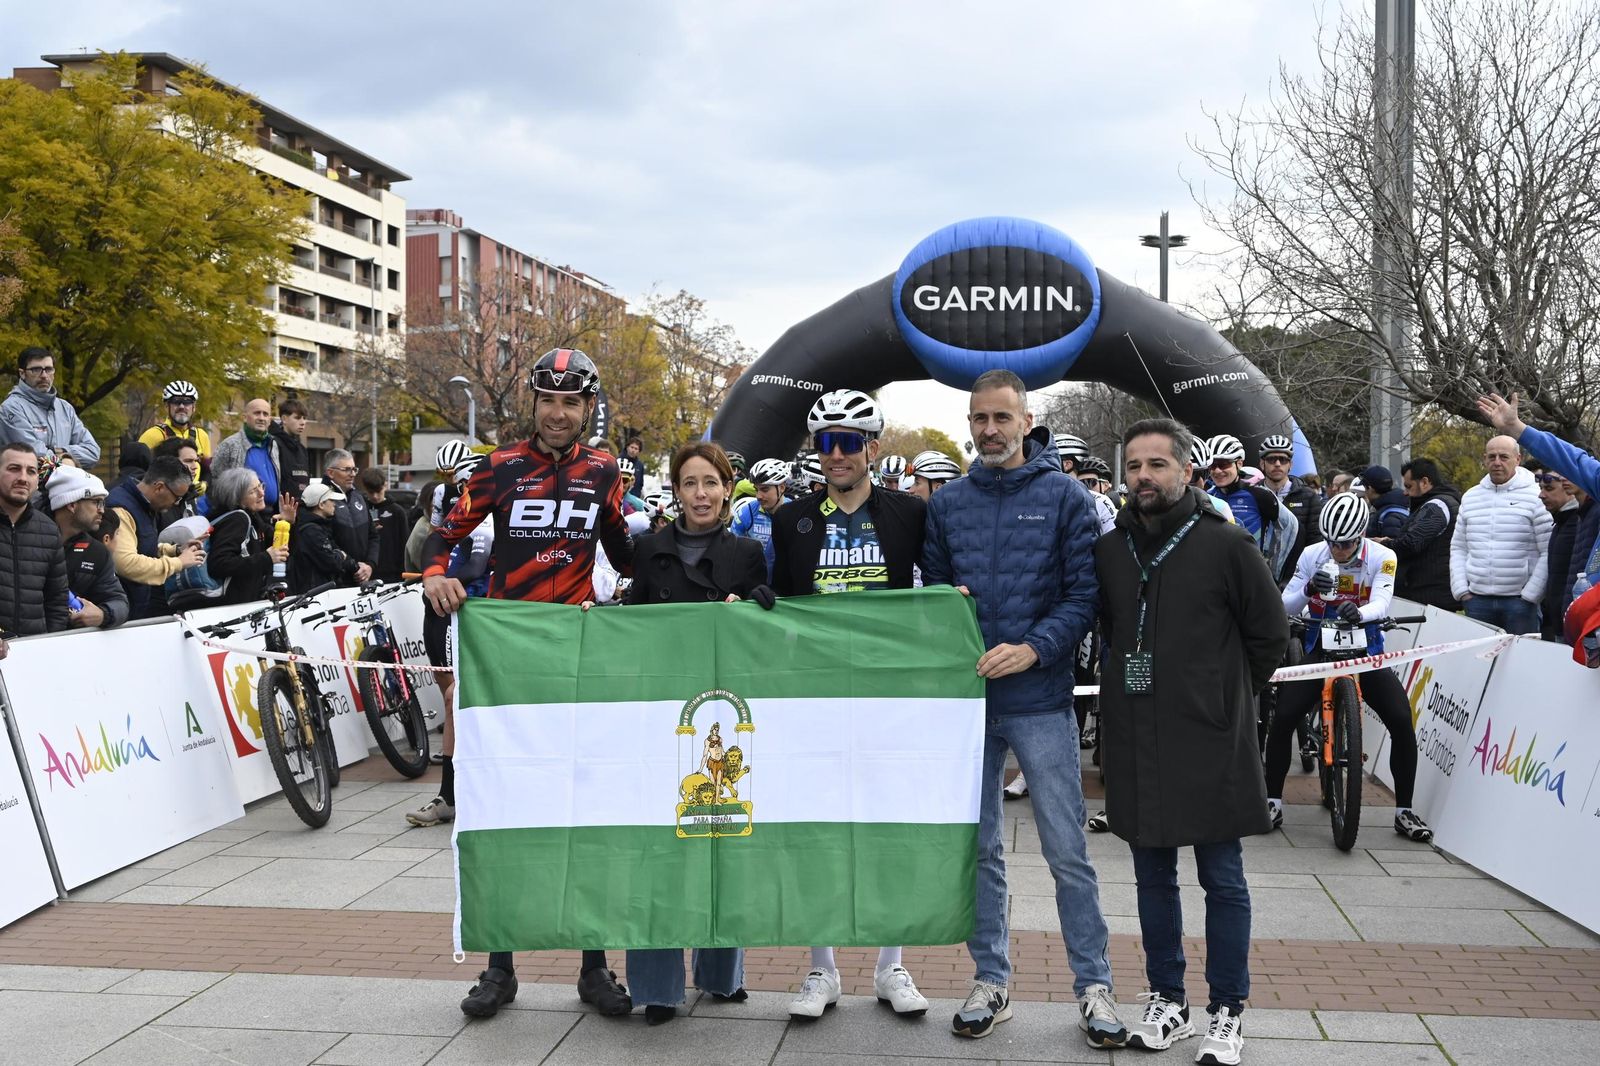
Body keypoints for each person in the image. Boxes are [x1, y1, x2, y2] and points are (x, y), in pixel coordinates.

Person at [419, 347, 635, 1021]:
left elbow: (628, 549)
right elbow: (440, 534)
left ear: (589, 407)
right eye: (548, 399)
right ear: (533, 403)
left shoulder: (605, 472)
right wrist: (434, 575)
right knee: (503, 810)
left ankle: (595, 967)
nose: (559, 412)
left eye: (572, 402)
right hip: (509, 659)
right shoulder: (499, 467)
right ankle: (499, 966)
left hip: (576, 656)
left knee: (586, 810)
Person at [920, 370, 1127, 1048]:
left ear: (1025, 419)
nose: (989, 430)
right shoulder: (948, 504)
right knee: (979, 850)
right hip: (969, 703)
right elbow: (934, 596)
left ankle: (1094, 988)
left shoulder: (1066, 497)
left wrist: (1033, 650)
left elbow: (1083, 597)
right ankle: (991, 980)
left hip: (1038, 697)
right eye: (979, 418)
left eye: (1001, 418)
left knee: (1068, 850)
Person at [1095, 418, 1288, 1065]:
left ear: (1185, 472)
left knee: (1222, 878)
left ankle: (1227, 1010)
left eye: (1156, 464)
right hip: (1138, 737)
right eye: (1134, 465)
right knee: (1152, 876)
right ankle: (1167, 1000)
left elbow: (1270, 637)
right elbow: (1107, 630)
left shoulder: (1227, 544)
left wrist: (1225, 697)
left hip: (1209, 738)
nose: (1143, 476)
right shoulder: (1111, 549)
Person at [770, 388, 931, 1021]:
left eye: (848, 441)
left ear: (872, 446)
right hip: (815, 692)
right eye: (824, 441)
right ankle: (822, 968)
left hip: (886, 693)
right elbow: (780, 602)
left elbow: (936, 594)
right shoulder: (792, 519)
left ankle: (891, 964)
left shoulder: (908, 515)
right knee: (819, 829)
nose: (835, 454)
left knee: (885, 826)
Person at [616, 442, 767, 1025]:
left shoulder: (750, 552)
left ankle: (722, 975)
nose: (700, 494)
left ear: (728, 488)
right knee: (658, 847)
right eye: (689, 483)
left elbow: (763, 626)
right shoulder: (647, 548)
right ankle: (655, 988)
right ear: (675, 490)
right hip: (660, 711)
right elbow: (631, 620)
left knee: (722, 839)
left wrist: (756, 605)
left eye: (710, 482)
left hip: (722, 711)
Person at [1270, 492, 1434, 842]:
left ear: (1360, 536)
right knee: (1283, 718)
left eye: (1344, 544)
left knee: (1402, 722)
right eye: (1332, 542)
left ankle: (1404, 811)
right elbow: (1286, 602)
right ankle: (1272, 801)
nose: (1337, 550)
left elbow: (1382, 600)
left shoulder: (1382, 556)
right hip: (1320, 646)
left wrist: (1360, 613)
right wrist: (1310, 588)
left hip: (1366, 649)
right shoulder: (1313, 554)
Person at [407, 454, 493, 826]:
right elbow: (432, 542)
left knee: (461, 697)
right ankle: (451, 794)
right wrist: (433, 576)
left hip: (487, 611)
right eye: (461, 487)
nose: (465, 493)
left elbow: (473, 567)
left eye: (471, 486)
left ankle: (464, 791)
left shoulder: (489, 520)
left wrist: (445, 574)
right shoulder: (446, 501)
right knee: (452, 696)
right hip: (445, 609)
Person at [1448, 431, 1551, 634]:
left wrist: (1531, 595)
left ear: (1518, 459)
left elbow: (1548, 550)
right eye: (1491, 456)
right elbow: (1459, 547)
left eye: (1504, 457)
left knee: (1521, 663)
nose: (1497, 462)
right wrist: (1461, 590)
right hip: (1476, 601)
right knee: (1478, 663)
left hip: (1521, 603)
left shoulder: (1536, 496)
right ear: (1484, 459)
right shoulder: (1471, 497)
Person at [105, 454, 206, 619]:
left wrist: (176, 550)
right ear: (159, 487)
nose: (176, 504)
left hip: (135, 606)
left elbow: (142, 547)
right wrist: (178, 563)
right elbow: (126, 563)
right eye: (177, 497)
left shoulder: (143, 504)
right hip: (119, 614)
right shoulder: (121, 509)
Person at [0, 442, 70, 636]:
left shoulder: (48, 531)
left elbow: (56, 600)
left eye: (31, 471)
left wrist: (46, 644)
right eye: (14, 469)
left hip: (32, 654)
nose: (23, 478)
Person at [47, 466, 127, 629]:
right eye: (96, 502)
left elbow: (119, 602)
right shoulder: (27, 536)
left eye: (103, 503)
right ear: (71, 504)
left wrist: (103, 614)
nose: (102, 510)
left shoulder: (97, 552)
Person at [1380, 458, 1460, 611]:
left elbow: (1412, 543)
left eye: (1409, 486)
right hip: (1433, 593)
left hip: (1429, 597)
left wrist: (1383, 545)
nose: (1405, 492)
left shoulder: (1436, 506)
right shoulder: (1442, 502)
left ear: (1424, 482)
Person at [0, 347, 100, 469]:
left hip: (66, 486)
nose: (44, 375)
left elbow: (93, 452)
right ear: (22, 373)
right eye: (36, 370)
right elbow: (33, 456)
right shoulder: (11, 408)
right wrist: (68, 461)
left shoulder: (65, 408)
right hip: (27, 486)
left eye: (48, 369)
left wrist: (57, 451)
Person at [207, 468, 292, 605]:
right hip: (230, 608)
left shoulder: (253, 517)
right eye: (253, 491)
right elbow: (219, 564)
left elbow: (275, 543)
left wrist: (286, 524)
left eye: (260, 486)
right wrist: (266, 557)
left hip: (242, 603)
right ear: (236, 498)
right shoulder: (237, 520)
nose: (262, 493)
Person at [1258, 434, 1321, 582]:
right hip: (1258, 575)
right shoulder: (1252, 494)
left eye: (1283, 459)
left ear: (1290, 464)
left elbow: (1315, 543)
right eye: (1272, 459)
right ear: (1262, 464)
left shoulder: (1309, 497)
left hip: (1296, 576)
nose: (1278, 464)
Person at [288, 481, 362, 590]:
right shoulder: (311, 531)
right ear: (321, 504)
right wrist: (341, 556)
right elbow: (331, 563)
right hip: (314, 595)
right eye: (331, 500)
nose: (335, 504)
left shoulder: (319, 526)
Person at [319, 449, 377, 585]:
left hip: (363, 578)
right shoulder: (321, 500)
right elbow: (324, 541)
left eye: (354, 469)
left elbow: (373, 535)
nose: (352, 474)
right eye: (346, 470)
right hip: (336, 582)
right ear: (330, 473)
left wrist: (369, 565)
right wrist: (353, 566)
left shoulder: (359, 497)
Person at [212, 398, 282, 508]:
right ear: (245, 417)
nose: (261, 418)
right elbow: (215, 481)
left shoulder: (273, 445)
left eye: (265, 414)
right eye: (257, 413)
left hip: (271, 515)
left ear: (270, 420)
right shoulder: (230, 445)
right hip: (242, 515)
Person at [1537, 471, 1583, 641]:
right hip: (1558, 621)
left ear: (1568, 488)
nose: (1541, 495)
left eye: (1549, 488)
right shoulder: (1561, 522)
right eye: (1541, 488)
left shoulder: (1577, 524)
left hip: (1572, 625)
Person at [728, 457, 788, 582]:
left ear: (781, 488)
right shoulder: (746, 513)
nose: (758, 496)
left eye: (765, 489)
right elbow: (731, 554)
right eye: (756, 489)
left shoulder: (796, 512)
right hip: (754, 586)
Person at [138, 380, 213, 471]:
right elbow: (137, 470)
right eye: (176, 401)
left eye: (187, 402)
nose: (181, 406)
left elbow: (207, 469)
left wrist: (205, 482)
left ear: (194, 407)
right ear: (166, 406)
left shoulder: (202, 435)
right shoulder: (152, 435)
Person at [362, 469, 408, 583]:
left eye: (379, 491)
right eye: (371, 492)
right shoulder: (360, 510)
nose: (375, 496)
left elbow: (405, 544)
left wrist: (403, 573)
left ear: (385, 485)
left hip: (393, 575)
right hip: (366, 573)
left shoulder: (397, 512)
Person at [151, 437, 204, 525]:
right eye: (188, 461)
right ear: (169, 462)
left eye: (196, 461)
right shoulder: (154, 500)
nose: (195, 466)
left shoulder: (190, 495)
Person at [271, 398, 312, 501]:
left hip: (302, 509)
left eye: (304, 418)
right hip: (282, 510)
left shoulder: (302, 449)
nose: (303, 422)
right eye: (297, 418)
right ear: (284, 419)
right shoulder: (274, 444)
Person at [1359, 466, 1408, 540]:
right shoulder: (1401, 504)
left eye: (1365, 488)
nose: (1365, 492)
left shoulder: (1390, 517)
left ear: (1370, 488)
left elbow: (1394, 548)